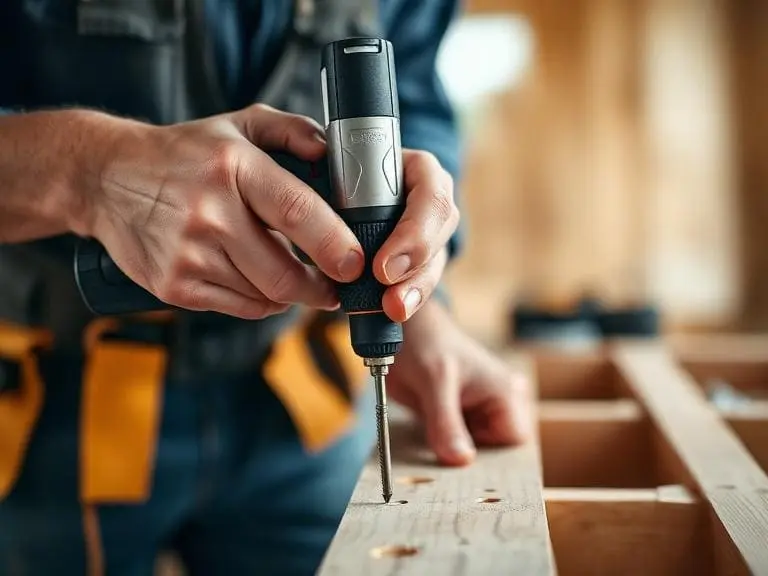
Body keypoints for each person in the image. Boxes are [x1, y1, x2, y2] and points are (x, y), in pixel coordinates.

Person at [0, 1, 533, 574]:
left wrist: (413, 298)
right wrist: (90, 171)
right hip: (56, 415)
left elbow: (415, 96)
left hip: (299, 402)